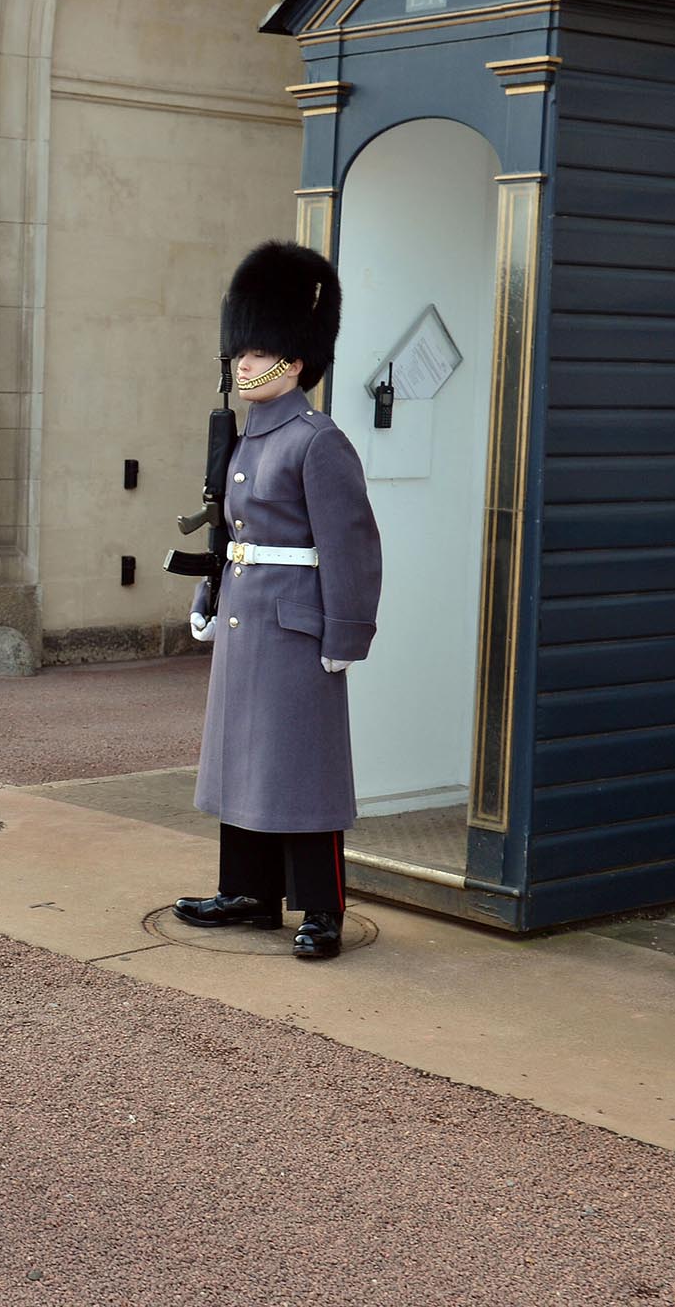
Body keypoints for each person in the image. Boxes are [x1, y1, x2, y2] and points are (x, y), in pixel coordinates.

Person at [173, 242, 382, 960]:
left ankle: (320, 909)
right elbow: (234, 531)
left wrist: (344, 634)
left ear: (294, 360)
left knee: (304, 769)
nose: (242, 363)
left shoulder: (316, 442)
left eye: (258, 352)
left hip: (296, 626)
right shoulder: (247, 440)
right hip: (246, 618)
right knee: (244, 760)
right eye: (241, 351)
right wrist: (209, 590)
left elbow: (351, 546)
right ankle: (251, 892)